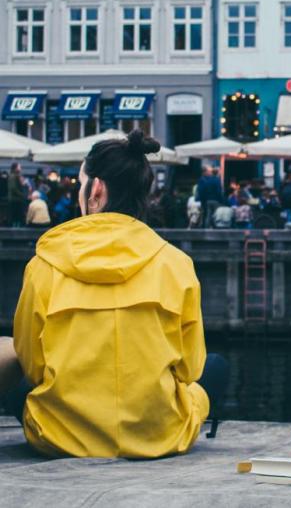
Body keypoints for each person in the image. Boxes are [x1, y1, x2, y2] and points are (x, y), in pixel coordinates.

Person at [0, 130, 228, 458]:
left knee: (14, 363)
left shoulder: (43, 265)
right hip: (158, 435)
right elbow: (190, 370)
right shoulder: (176, 264)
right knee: (216, 367)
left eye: (81, 184)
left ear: (96, 190)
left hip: (59, 436)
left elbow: (34, 366)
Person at [7, 162, 28, 228]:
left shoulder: (17, 176)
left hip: (16, 199)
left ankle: (16, 227)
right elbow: (13, 188)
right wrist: (22, 195)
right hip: (15, 199)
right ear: (15, 168)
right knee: (16, 214)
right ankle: (15, 228)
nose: (20, 168)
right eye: (19, 167)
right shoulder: (13, 176)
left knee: (16, 214)